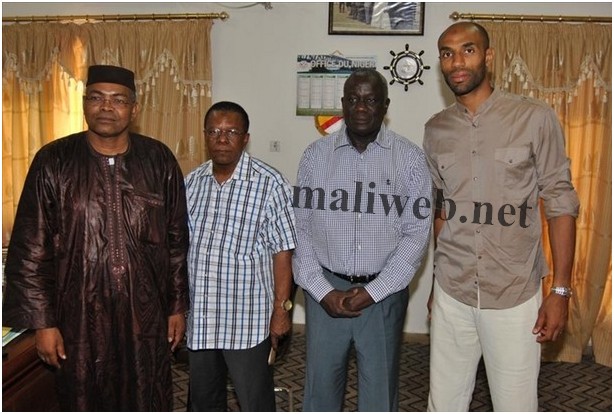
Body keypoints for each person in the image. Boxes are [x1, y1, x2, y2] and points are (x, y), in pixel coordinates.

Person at [2, 64, 189, 411]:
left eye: (118, 100)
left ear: (134, 109)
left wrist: (176, 307)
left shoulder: (158, 159)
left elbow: (177, 241)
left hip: (144, 315)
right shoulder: (54, 161)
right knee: (84, 397)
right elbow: (31, 247)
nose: (107, 107)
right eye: (97, 98)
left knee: (145, 394)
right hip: (77, 316)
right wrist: (43, 323)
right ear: (85, 103)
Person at [423, 22, 580, 411]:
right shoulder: (436, 130)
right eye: (447, 53)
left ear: (488, 57)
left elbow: (561, 203)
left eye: (468, 50)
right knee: (442, 405)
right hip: (453, 292)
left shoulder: (534, 118)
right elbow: (440, 212)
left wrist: (559, 291)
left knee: (514, 405)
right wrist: (435, 283)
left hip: (513, 294)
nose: (457, 61)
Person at [293, 68, 432, 411]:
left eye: (370, 100)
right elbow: (299, 228)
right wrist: (321, 290)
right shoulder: (315, 156)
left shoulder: (410, 158)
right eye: (353, 99)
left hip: (383, 296)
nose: (360, 107)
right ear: (343, 103)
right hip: (325, 292)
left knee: (379, 395)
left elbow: (416, 236)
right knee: (320, 392)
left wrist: (373, 292)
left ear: (385, 105)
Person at [185, 101, 297, 411]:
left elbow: (283, 253)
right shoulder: (191, 183)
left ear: (245, 138)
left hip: (248, 322)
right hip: (202, 319)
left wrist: (281, 311)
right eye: (215, 131)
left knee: (255, 402)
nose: (222, 139)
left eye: (231, 132)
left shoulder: (270, 184)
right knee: (204, 402)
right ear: (206, 135)